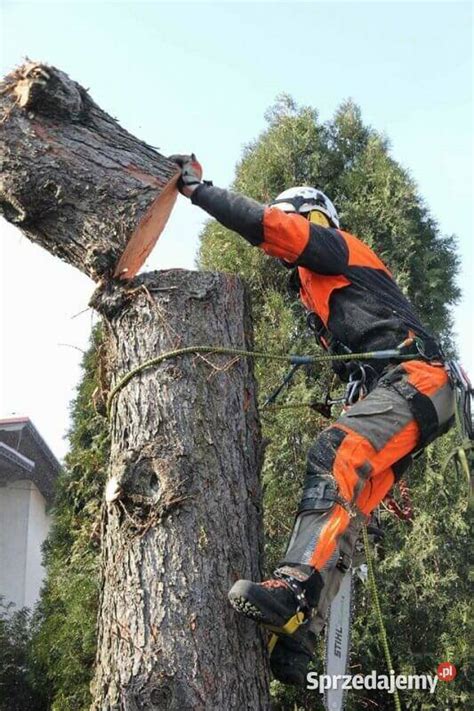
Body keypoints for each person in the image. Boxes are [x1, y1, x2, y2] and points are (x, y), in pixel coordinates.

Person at [169, 154, 455, 685]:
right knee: (347, 513)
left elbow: (272, 228)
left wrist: (198, 190)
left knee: (332, 453)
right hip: (413, 393)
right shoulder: (332, 298)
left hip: (419, 378)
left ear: (314, 219)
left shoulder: (338, 250)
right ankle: (300, 635)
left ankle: (294, 587)